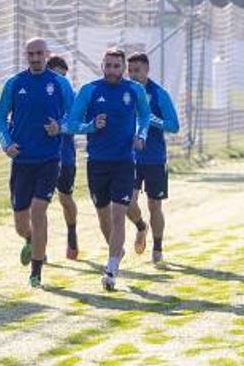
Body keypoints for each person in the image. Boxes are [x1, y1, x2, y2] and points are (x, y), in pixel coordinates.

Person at [64, 48, 152, 292]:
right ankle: (118, 251)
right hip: (97, 162)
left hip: (124, 161)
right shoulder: (89, 90)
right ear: (102, 66)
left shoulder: (134, 90)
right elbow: (71, 123)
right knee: (103, 217)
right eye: (109, 66)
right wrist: (91, 126)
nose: (113, 71)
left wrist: (141, 134)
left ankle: (111, 269)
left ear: (123, 68)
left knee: (117, 214)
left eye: (117, 66)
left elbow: (145, 117)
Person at [0, 38, 72, 287]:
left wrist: (59, 127)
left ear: (46, 54)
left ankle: (36, 271)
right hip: (21, 161)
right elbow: (0, 117)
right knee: (21, 223)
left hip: (49, 159)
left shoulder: (60, 84)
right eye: (31, 54)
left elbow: (75, 116)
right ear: (25, 55)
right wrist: (6, 143)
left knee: (39, 211)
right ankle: (31, 240)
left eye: (39, 53)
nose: (35, 57)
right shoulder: (14, 83)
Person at [125, 52, 180, 266]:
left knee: (154, 205)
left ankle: (157, 248)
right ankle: (140, 226)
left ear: (147, 70)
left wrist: (151, 119)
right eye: (130, 71)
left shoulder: (159, 94)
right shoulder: (125, 92)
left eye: (137, 70)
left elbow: (174, 125)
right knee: (127, 201)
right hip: (130, 158)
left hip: (155, 158)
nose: (133, 75)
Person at [46, 55, 80, 261]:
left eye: (64, 77)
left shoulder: (71, 96)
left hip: (65, 157)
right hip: (40, 157)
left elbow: (75, 123)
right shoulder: (38, 94)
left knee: (65, 199)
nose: (61, 81)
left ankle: (72, 234)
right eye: (57, 76)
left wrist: (59, 127)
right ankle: (38, 248)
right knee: (38, 204)